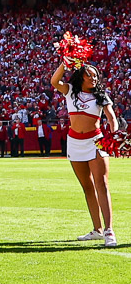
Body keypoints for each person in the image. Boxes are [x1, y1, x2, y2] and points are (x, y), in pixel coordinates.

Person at [50, 42, 118, 247]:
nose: (94, 78)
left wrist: (113, 136)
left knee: (102, 185)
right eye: (90, 74)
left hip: (96, 141)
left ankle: (109, 231)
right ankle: (97, 230)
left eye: (96, 75)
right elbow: (54, 81)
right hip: (74, 142)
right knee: (87, 187)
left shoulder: (101, 95)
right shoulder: (70, 91)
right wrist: (65, 62)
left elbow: (111, 117)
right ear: (81, 76)